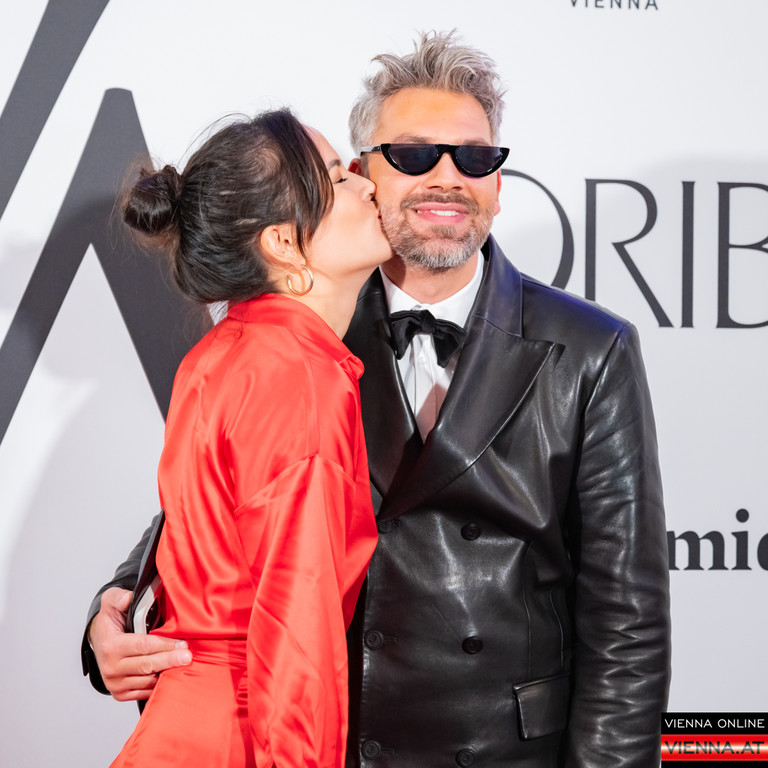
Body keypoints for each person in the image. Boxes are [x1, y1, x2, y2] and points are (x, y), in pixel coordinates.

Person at [84, 32, 671, 767]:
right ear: (365, 175)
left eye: (475, 158)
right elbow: (212, 509)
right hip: (334, 736)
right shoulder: (299, 338)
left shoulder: (590, 348)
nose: (447, 178)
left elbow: (627, 618)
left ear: (498, 183)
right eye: (415, 155)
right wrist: (115, 609)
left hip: (502, 750)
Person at [103, 108, 391, 767]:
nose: (367, 184)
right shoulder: (300, 377)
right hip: (245, 736)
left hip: (188, 727)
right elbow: (297, 632)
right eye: (336, 177)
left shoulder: (225, 351)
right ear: (284, 244)